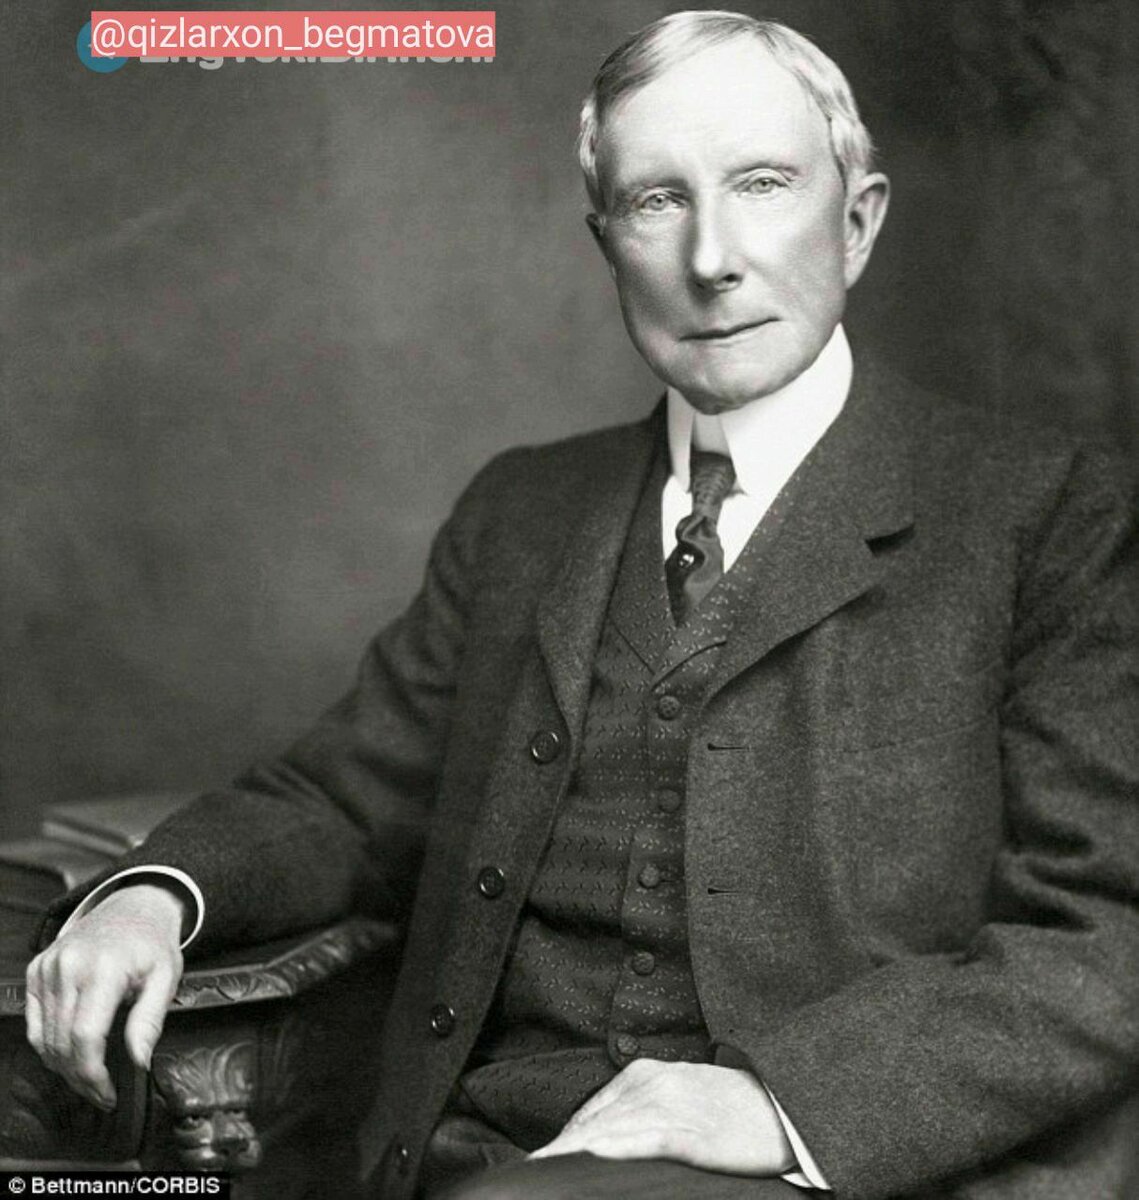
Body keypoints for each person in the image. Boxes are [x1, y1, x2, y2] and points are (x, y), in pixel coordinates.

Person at [24, 11, 1139, 1200]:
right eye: (657, 201)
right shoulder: (522, 512)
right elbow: (347, 803)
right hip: (477, 1157)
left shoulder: (1050, 513)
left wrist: (783, 1103)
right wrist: (152, 894)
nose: (711, 257)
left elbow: (1106, 929)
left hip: (833, 1170)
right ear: (605, 241)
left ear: (855, 221)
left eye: (761, 184)